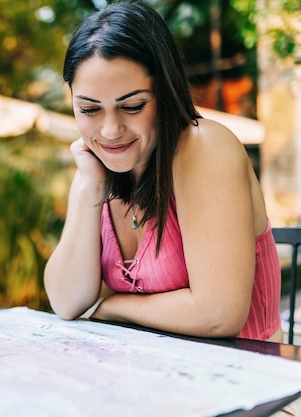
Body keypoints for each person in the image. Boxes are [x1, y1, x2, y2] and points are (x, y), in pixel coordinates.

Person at [44, 2, 283, 344]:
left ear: (165, 92)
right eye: (89, 109)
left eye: (132, 106)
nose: (110, 130)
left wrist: (116, 307)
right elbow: (66, 301)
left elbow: (219, 315)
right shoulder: (96, 166)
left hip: (253, 385)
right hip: (157, 383)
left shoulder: (203, 147)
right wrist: (89, 190)